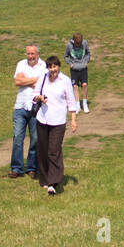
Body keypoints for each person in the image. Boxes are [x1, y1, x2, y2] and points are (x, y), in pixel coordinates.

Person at [32, 55, 78, 195]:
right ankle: (45, 179)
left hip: (58, 120)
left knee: (54, 150)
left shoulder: (65, 80)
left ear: (59, 66)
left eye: (55, 66)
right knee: (43, 150)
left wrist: (74, 120)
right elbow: (35, 95)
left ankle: (53, 183)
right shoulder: (44, 77)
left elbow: (71, 101)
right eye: (50, 67)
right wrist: (39, 98)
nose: (53, 70)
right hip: (43, 118)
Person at [10, 42, 44, 178]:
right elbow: (17, 82)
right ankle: (16, 168)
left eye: (32, 54)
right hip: (20, 106)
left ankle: (32, 168)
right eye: (28, 53)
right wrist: (34, 80)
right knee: (18, 137)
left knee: (35, 139)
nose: (30, 56)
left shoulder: (44, 67)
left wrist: (25, 79)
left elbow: (42, 84)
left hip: (36, 107)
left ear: (37, 54)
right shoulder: (21, 64)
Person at [64, 31, 92, 112]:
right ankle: (77, 105)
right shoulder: (69, 45)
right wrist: (70, 64)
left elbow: (88, 53)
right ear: (74, 41)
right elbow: (66, 56)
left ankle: (84, 103)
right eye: (77, 44)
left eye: (80, 44)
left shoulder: (84, 43)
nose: (79, 45)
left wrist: (86, 62)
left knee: (84, 85)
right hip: (74, 70)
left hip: (83, 68)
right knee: (75, 86)